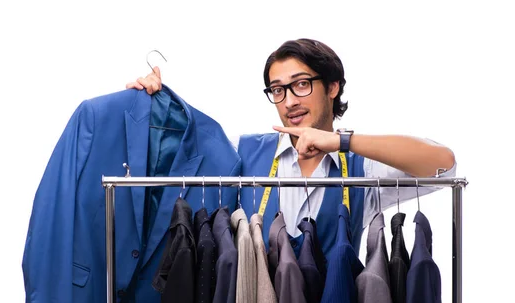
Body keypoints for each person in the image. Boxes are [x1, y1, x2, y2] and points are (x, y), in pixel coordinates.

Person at [127, 38, 456, 255]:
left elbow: (443, 165)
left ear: (332, 86)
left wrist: (341, 142)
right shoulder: (243, 153)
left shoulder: (359, 168)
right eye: (278, 90)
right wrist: (153, 105)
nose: (289, 101)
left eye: (300, 85)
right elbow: (173, 156)